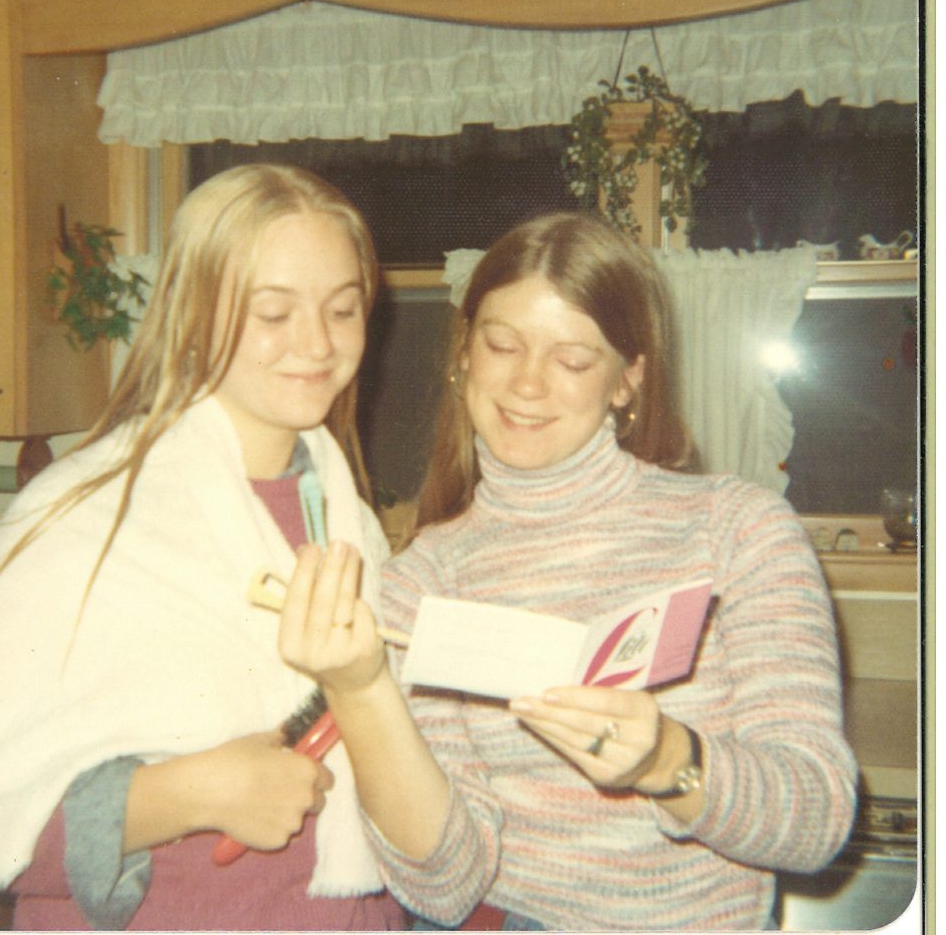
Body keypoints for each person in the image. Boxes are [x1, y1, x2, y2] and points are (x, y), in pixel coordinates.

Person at [277, 212, 859, 931]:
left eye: (574, 361)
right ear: (465, 354)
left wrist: (668, 761)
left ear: (627, 380)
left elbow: (817, 822)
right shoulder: (422, 582)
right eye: (502, 345)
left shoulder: (738, 530)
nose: (527, 384)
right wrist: (362, 691)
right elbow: (444, 888)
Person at [0, 164, 406, 931]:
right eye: (273, 312)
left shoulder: (354, 526)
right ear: (192, 314)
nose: (317, 342)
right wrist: (187, 794)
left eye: (343, 310)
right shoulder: (77, 521)